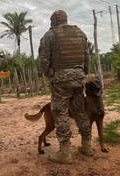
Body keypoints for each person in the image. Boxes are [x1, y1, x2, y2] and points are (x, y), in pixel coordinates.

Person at [38, 10, 94, 164]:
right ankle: (87, 146)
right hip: (78, 77)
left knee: (60, 112)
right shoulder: (80, 33)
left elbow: (43, 59)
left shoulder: (50, 35)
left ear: (54, 21)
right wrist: (83, 73)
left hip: (61, 80)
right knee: (80, 111)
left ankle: (65, 152)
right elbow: (87, 56)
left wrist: (50, 74)